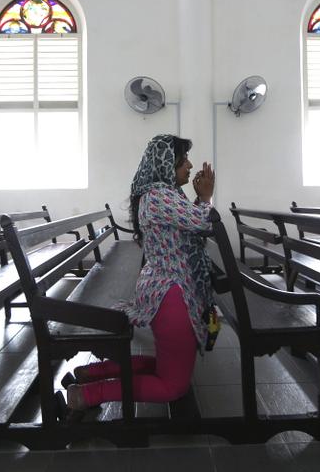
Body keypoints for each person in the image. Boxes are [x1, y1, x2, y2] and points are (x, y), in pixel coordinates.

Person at [66, 134, 216, 411]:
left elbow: (190, 224)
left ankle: (93, 373)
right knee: (173, 387)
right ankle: (86, 395)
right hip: (174, 295)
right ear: (166, 164)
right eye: (183, 160)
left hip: (168, 290)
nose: (190, 166)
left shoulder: (163, 195)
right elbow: (204, 222)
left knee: (163, 363)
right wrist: (206, 197)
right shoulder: (160, 195)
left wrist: (198, 199)